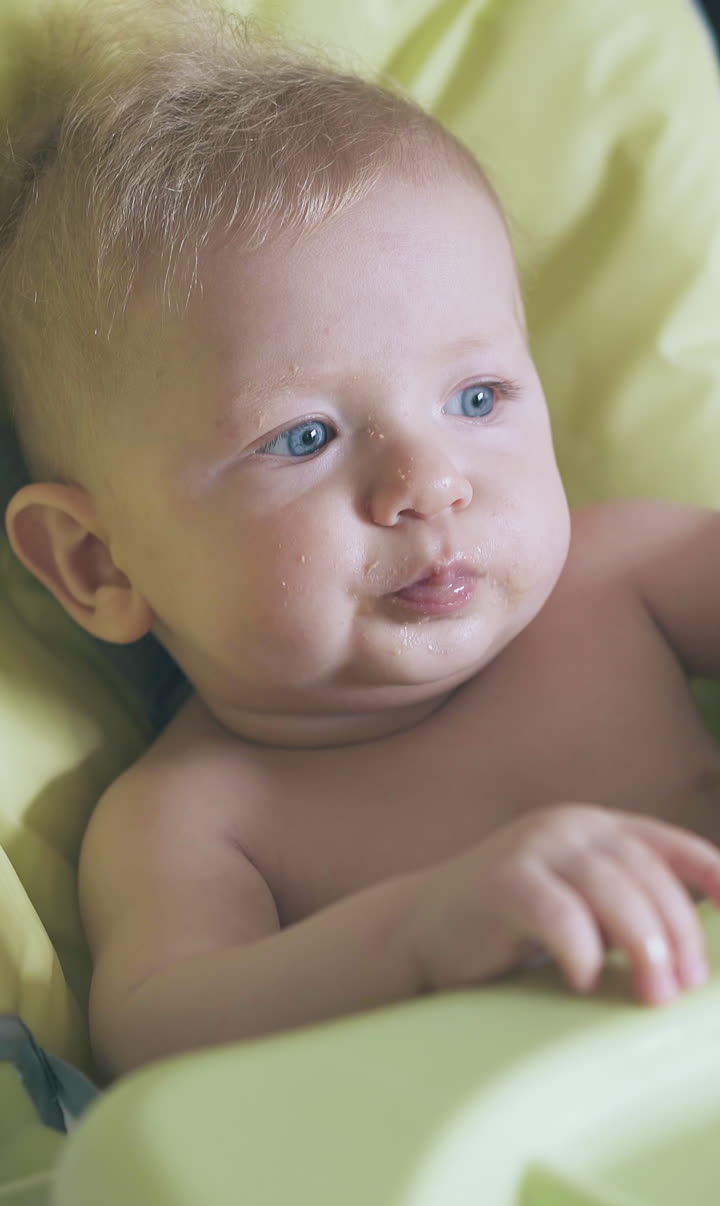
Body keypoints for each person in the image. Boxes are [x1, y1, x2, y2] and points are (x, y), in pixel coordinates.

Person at [3, 1, 720, 1081]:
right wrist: (419, 930)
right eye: (303, 435)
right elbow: (153, 1034)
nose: (429, 481)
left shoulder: (627, 576)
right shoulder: (197, 816)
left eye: (477, 396)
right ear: (99, 564)